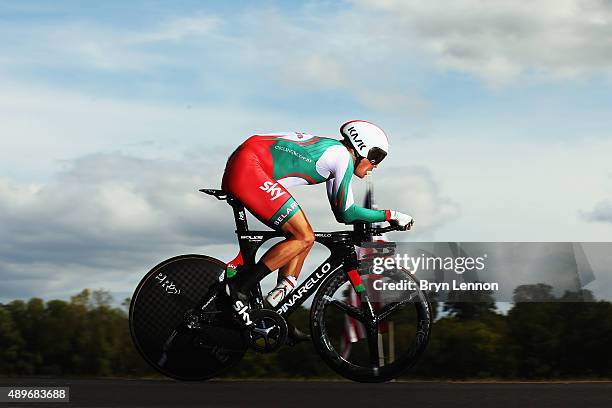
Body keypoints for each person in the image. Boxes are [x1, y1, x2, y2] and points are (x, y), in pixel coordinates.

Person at [221, 120, 414, 322]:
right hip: (249, 166)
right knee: (303, 236)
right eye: (376, 158)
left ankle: (274, 311)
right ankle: (238, 288)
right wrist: (391, 215)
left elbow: (341, 214)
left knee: (305, 237)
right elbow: (348, 213)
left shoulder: (336, 155)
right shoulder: (341, 157)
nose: (375, 166)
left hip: (247, 161)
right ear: (362, 148)